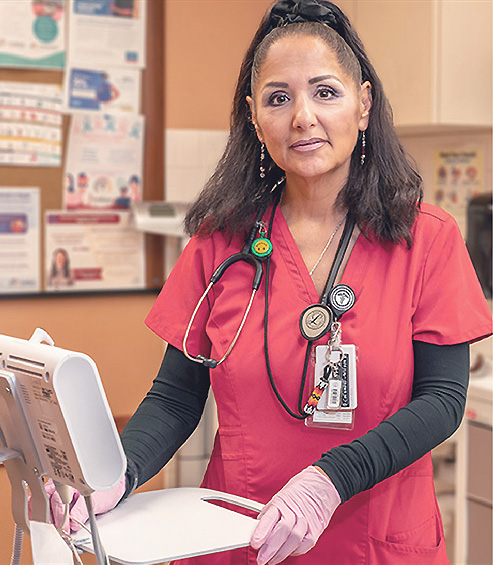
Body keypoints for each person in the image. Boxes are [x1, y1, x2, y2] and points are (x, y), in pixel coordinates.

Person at [45, 1, 492, 564]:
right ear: (256, 118)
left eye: (325, 92)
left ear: (363, 104)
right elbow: (176, 396)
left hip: (375, 540)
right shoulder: (221, 241)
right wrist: (120, 473)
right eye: (279, 99)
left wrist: (330, 480)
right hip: (238, 537)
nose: (303, 116)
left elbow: (444, 399)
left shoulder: (426, 238)